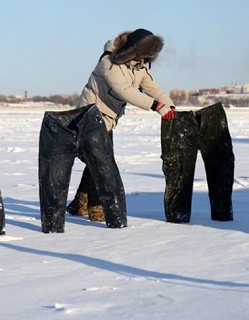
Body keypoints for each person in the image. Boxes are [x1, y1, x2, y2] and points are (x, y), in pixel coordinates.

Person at [67, 28, 175, 222]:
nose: (145, 60)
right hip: (90, 114)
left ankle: (78, 203)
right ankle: (96, 207)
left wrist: (169, 106)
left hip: (108, 118)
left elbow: (152, 87)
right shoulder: (108, 61)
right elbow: (123, 90)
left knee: (98, 159)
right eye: (144, 55)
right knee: (101, 161)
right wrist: (155, 106)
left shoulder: (138, 66)